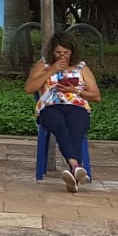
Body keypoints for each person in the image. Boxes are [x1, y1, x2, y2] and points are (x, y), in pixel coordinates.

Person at [25, 30, 101, 193]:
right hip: (50, 106)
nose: (62, 56)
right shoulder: (44, 64)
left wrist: (76, 90)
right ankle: (76, 167)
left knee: (76, 128)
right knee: (59, 125)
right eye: (58, 52)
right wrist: (51, 70)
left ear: (72, 52)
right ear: (52, 51)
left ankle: (73, 172)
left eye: (66, 53)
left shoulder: (81, 67)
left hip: (76, 105)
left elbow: (96, 96)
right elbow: (29, 88)